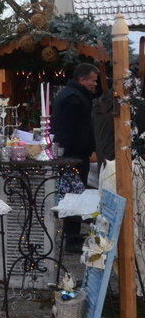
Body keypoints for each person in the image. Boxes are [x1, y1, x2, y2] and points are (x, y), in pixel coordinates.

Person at [52, 62, 99, 252]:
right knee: (73, 196)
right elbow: (71, 130)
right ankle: (72, 237)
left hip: (73, 154)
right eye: (93, 81)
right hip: (74, 156)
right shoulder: (75, 99)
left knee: (72, 195)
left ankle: (71, 233)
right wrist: (82, 148)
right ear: (82, 79)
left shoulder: (72, 95)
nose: (96, 85)